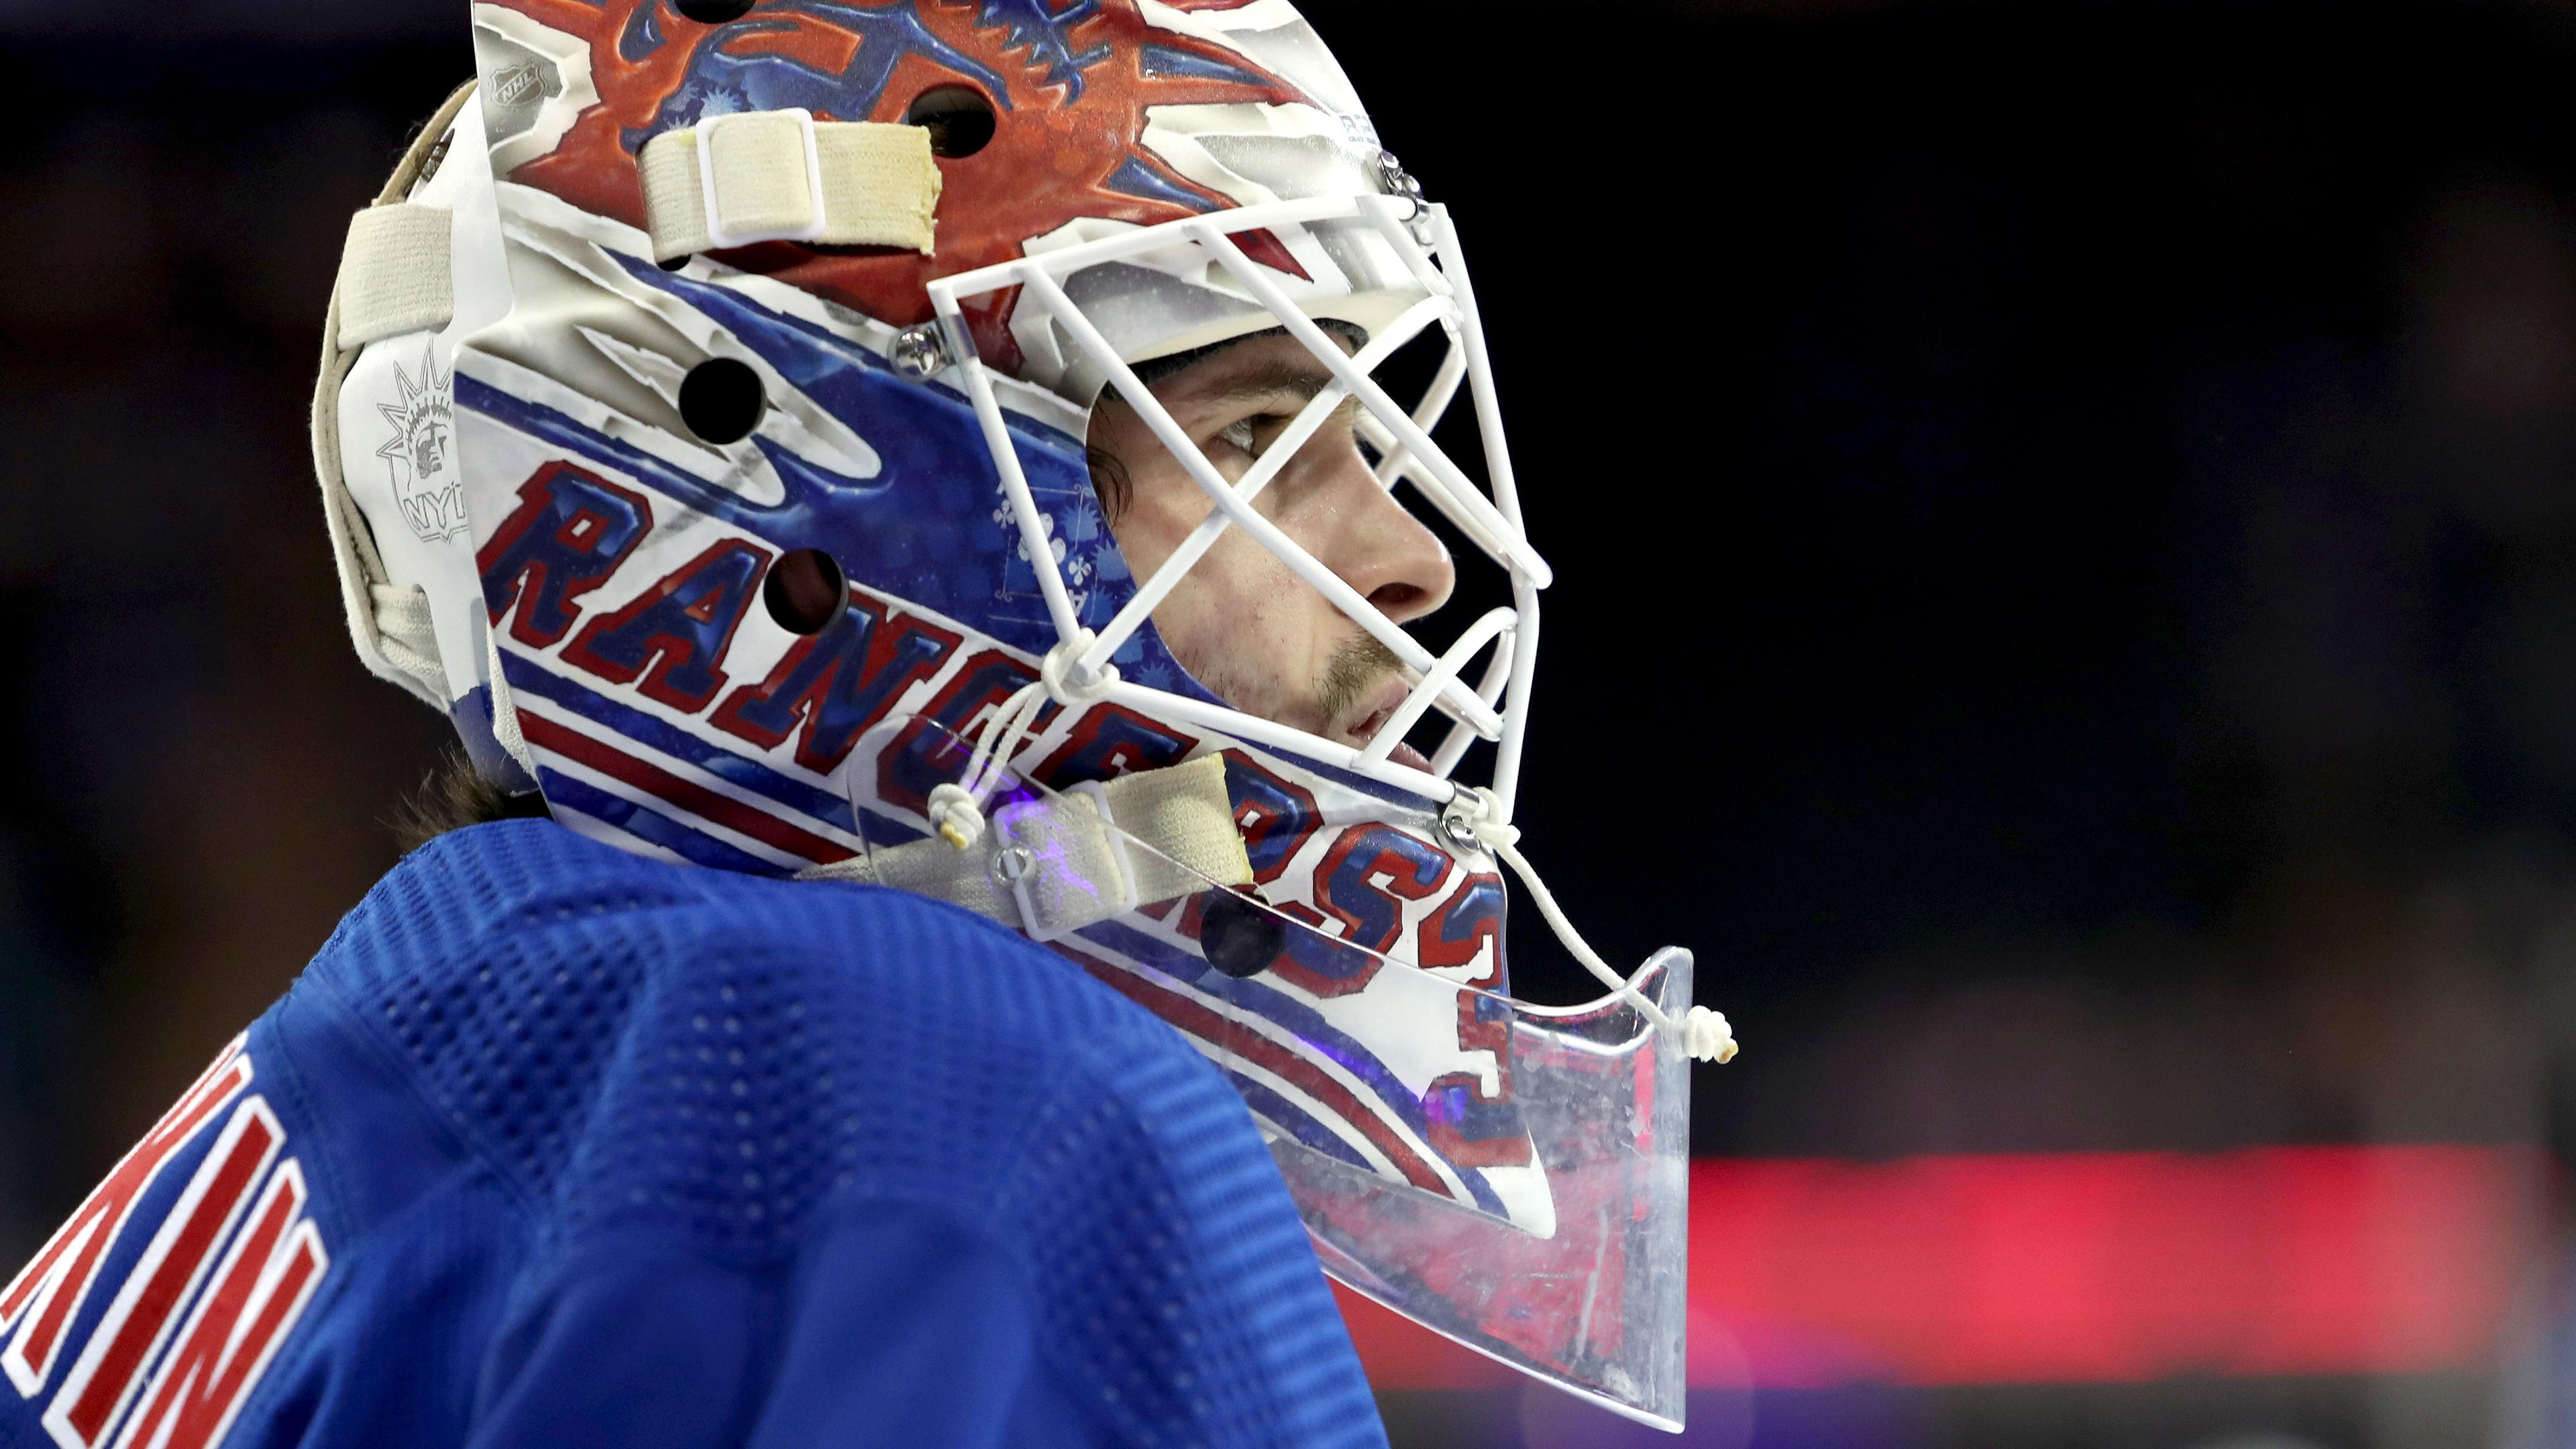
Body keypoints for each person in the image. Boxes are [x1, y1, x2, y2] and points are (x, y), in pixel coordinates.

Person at [0, 5, 1733, 1447]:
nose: (1414, 562)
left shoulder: (470, 1006)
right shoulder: (922, 1081)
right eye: (1268, 431)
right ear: (845, 527)